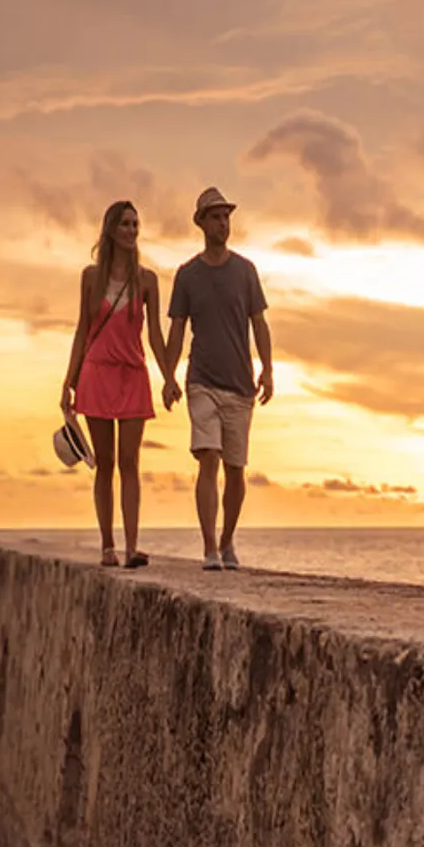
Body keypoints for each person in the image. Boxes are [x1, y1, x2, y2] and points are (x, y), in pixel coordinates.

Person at [163, 186, 273, 571]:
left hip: (240, 385)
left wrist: (268, 370)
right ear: (202, 224)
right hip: (201, 381)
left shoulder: (245, 271)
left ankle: (227, 541)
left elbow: (259, 323)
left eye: (226, 216)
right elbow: (176, 330)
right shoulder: (187, 275)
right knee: (207, 458)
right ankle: (209, 547)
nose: (222, 223)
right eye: (215, 217)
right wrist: (168, 376)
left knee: (236, 470)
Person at [61, 199, 166, 568]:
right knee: (104, 463)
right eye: (125, 224)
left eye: (136, 225)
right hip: (97, 373)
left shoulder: (148, 281)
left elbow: (155, 335)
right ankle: (108, 545)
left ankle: (132, 546)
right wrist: (68, 381)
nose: (132, 231)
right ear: (111, 229)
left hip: (133, 374)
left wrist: (169, 377)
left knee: (130, 462)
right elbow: (82, 330)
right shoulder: (91, 277)